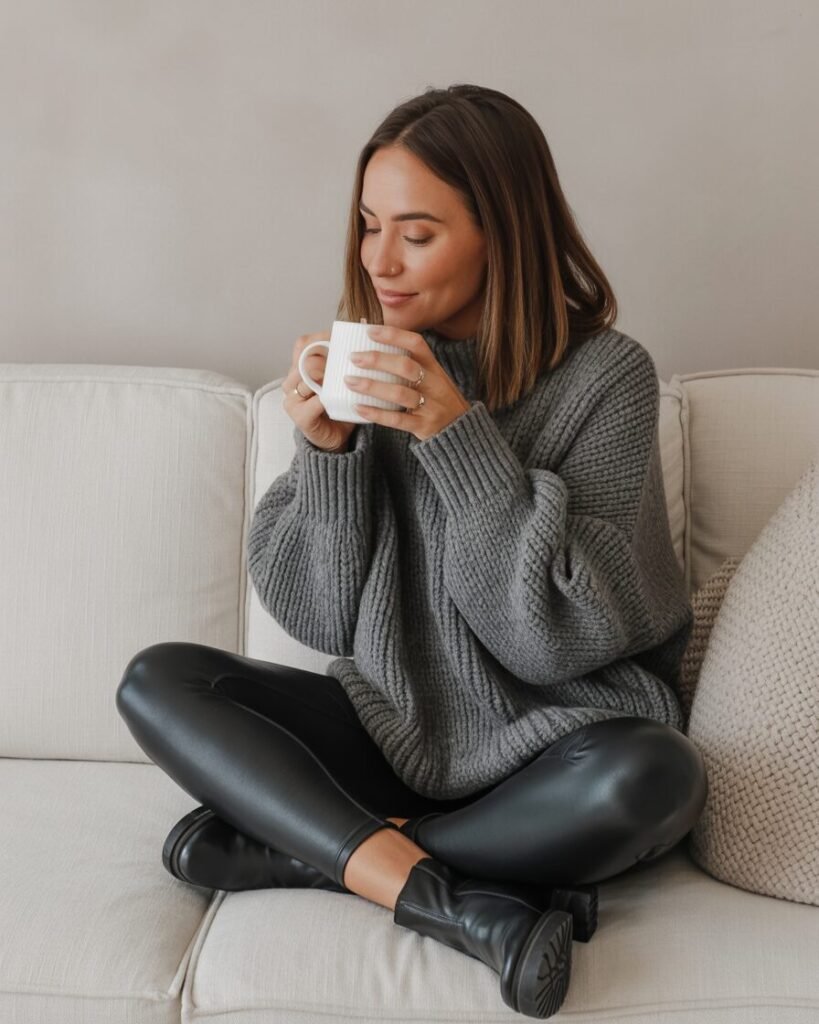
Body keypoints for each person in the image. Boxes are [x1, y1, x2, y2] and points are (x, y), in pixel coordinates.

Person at [115, 83, 708, 1019]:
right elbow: (314, 617)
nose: (379, 261)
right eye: (366, 224)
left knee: (658, 775)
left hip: (552, 747)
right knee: (161, 680)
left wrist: (454, 435)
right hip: (393, 726)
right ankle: (462, 903)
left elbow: (554, 638)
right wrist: (327, 455)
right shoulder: (370, 362)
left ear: (500, 234)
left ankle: (306, 851)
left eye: (417, 233)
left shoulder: (607, 378)